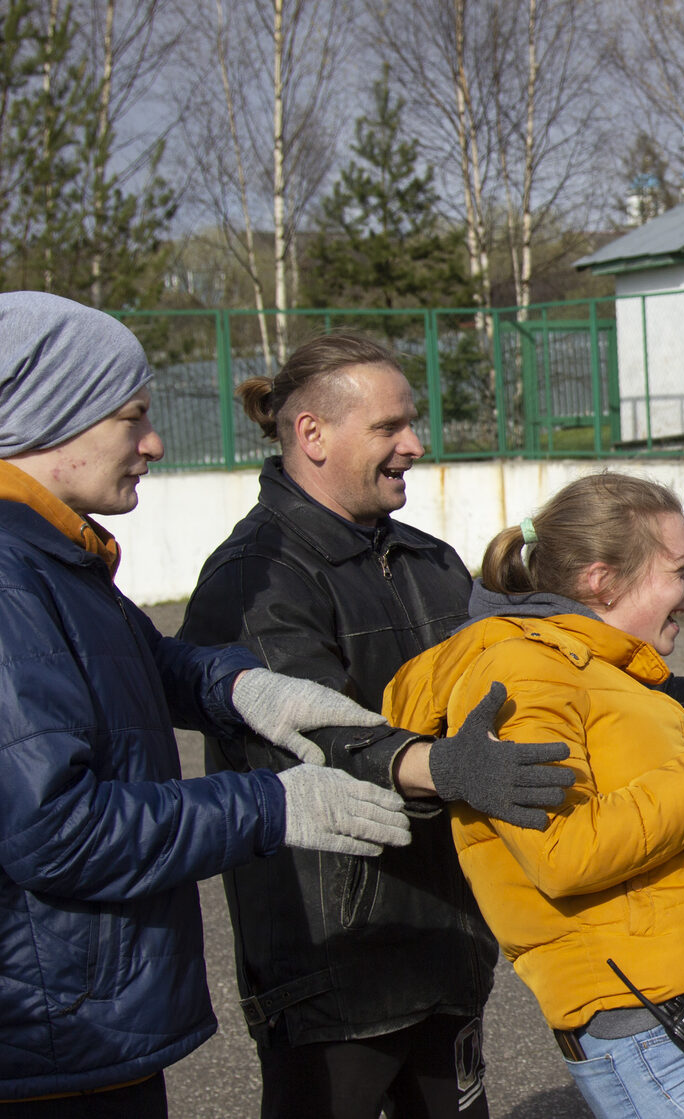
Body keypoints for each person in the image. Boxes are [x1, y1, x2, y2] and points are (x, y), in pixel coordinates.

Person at [0, 293, 415, 1116]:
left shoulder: (53, 556)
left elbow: (130, 660)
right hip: (48, 1039)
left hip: (83, 1028)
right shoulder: (10, 578)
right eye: (132, 416)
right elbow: (56, 829)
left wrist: (234, 687)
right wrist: (268, 803)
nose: (152, 442)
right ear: (55, 420)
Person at [177, 333, 576, 1119]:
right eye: (390, 426)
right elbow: (312, 736)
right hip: (335, 964)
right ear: (312, 434)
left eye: (412, 422)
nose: (415, 444)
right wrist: (440, 767)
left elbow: (506, 696)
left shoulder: (431, 561)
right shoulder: (254, 579)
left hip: (450, 942)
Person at [383, 472, 684, 1119]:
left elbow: (651, 810)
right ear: (601, 579)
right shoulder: (518, 672)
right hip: (656, 1027)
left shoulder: (607, 671)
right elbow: (566, 852)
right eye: (680, 570)